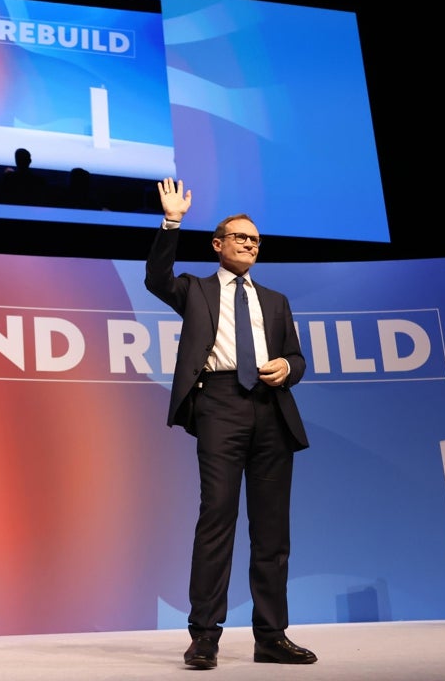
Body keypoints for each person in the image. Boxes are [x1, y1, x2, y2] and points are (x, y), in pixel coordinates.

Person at [144, 177, 316, 670]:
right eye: (240, 237)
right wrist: (170, 221)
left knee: (272, 531)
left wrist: (287, 368)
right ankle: (204, 637)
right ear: (217, 245)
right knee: (216, 519)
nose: (249, 244)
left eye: (255, 240)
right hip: (219, 404)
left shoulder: (276, 301)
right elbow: (156, 278)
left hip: (271, 409)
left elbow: (297, 358)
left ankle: (272, 636)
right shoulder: (195, 290)